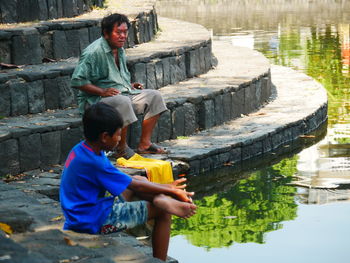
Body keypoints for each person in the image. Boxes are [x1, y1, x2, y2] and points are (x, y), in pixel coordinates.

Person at [60, 102, 197, 261]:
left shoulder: (83, 149)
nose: (119, 139)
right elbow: (134, 185)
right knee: (163, 212)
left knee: (139, 178)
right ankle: (159, 258)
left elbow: (130, 181)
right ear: (104, 137)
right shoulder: (94, 162)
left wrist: (164, 188)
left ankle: (161, 200)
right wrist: (171, 189)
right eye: (118, 135)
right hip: (90, 221)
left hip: (80, 212)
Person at [71, 13, 168, 159]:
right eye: (118, 32)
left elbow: (113, 78)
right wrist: (102, 91)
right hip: (94, 101)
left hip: (120, 93)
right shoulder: (93, 52)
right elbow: (77, 81)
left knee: (155, 96)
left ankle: (145, 144)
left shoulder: (120, 49)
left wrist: (129, 85)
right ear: (106, 33)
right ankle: (121, 148)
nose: (123, 36)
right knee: (123, 101)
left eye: (125, 32)